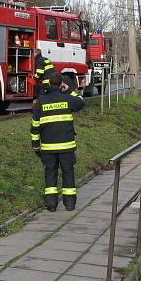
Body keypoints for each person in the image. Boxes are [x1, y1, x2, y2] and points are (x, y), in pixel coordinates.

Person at [31, 73, 85, 211]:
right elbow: (80, 101)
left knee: (50, 172)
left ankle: (51, 204)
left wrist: (36, 146)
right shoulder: (67, 99)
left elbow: (35, 126)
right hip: (66, 147)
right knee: (68, 172)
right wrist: (68, 90)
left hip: (48, 148)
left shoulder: (40, 102)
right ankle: (70, 204)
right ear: (61, 84)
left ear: (49, 84)